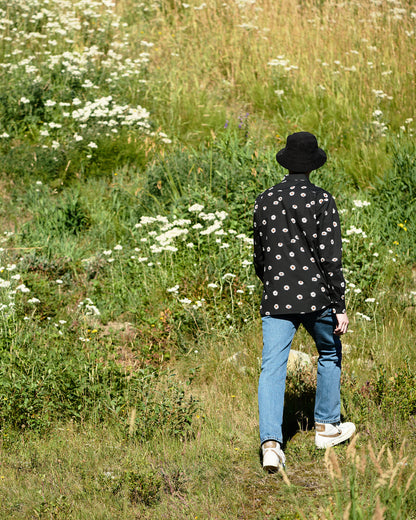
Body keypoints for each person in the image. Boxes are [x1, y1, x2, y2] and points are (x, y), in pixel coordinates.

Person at [253, 131, 355, 472]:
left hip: (276, 297)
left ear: (286, 161)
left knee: (272, 368)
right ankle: (326, 426)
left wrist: (273, 284)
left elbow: (260, 257)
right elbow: (331, 258)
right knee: (329, 352)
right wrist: (339, 304)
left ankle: (271, 445)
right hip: (318, 298)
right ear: (312, 165)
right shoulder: (322, 200)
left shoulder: (265, 200)